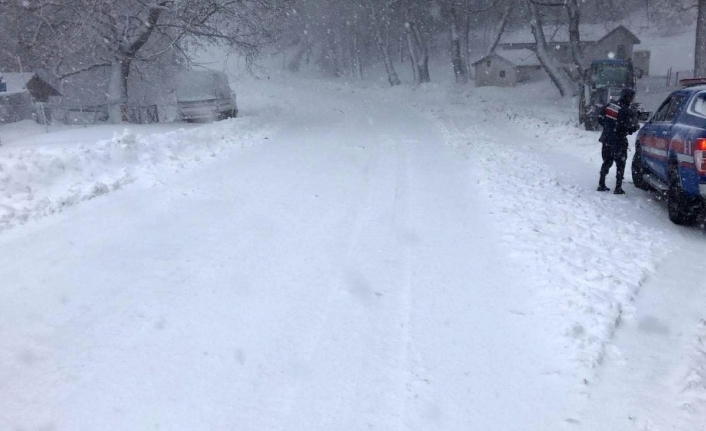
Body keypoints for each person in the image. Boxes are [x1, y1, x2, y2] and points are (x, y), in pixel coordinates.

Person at [596, 88, 639, 195]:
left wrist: (608, 127)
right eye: (630, 97)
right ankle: (618, 187)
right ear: (626, 97)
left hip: (606, 139)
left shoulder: (610, 105)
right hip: (619, 141)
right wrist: (635, 128)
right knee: (620, 163)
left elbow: (600, 118)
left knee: (607, 161)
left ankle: (601, 184)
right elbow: (627, 128)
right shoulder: (626, 111)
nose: (631, 99)